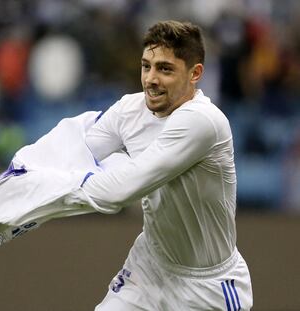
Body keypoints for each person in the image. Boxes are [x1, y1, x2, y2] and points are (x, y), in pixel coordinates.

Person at [67, 20, 253, 310]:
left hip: (208, 287)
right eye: (146, 66)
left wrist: (61, 189)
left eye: (165, 69)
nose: (151, 79)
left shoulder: (204, 122)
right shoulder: (131, 108)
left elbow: (121, 190)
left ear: (195, 74)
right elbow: (78, 152)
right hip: (150, 266)